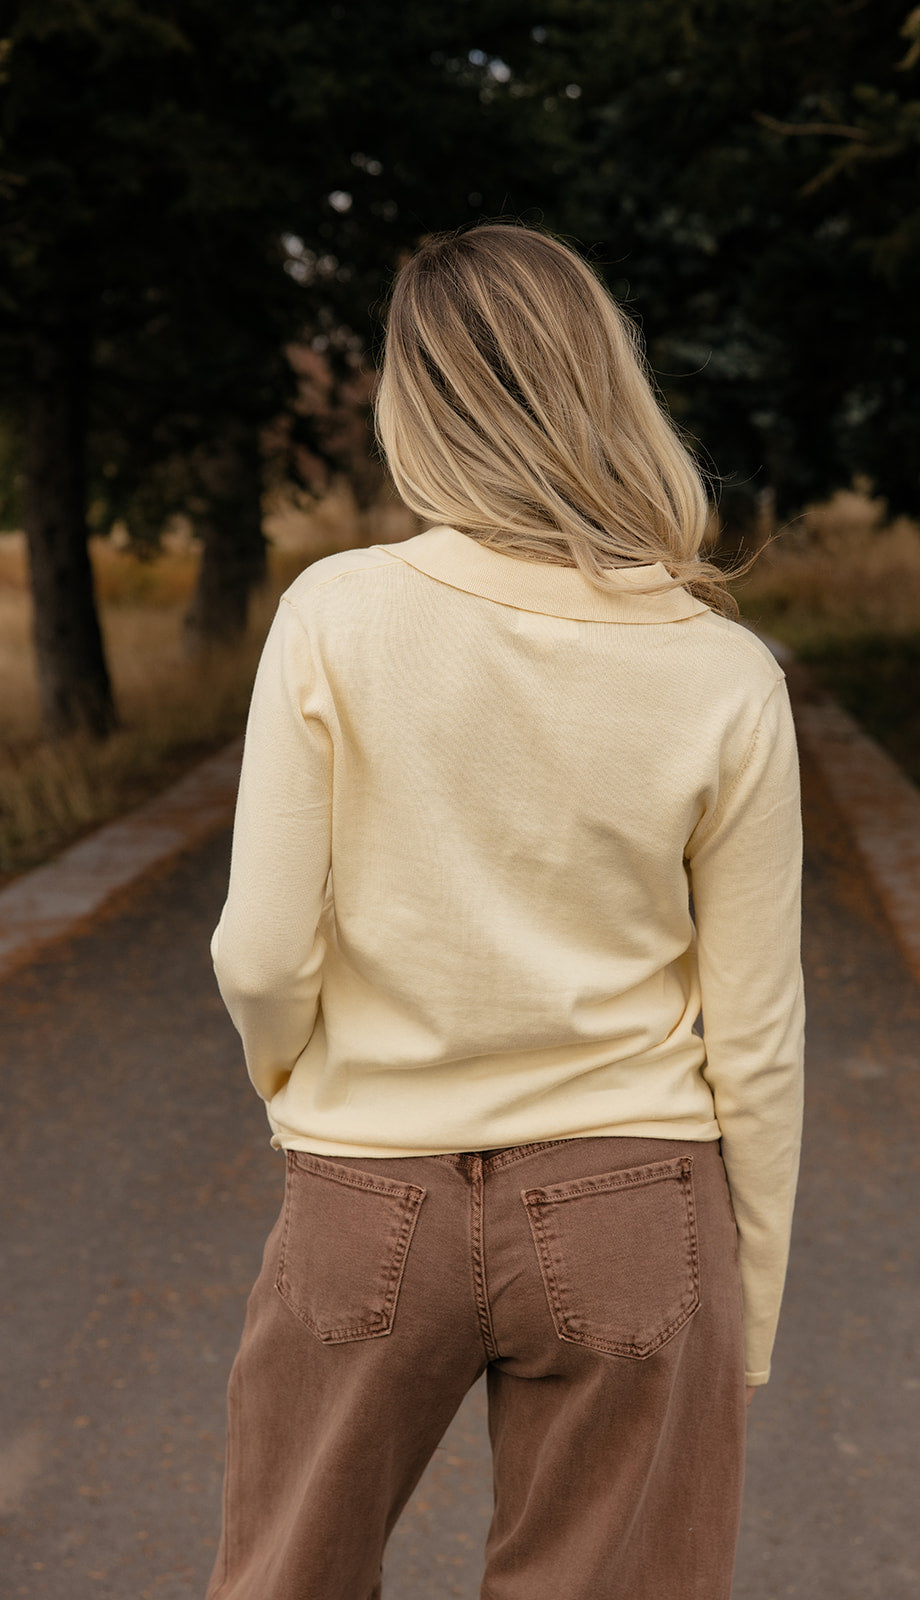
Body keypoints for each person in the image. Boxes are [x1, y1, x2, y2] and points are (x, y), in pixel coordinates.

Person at [205, 221, 804, 1600]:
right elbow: (760, 1034)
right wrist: (748, 1318)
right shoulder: (721, 670)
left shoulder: (336, 614)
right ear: (605, 385)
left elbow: (260, 950)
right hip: (636, 1205)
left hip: (368, 1194)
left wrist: (310, 1093)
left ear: (417, 400)